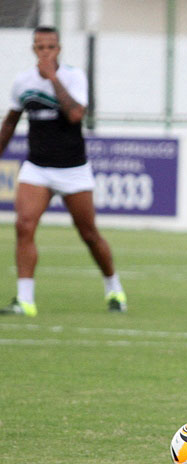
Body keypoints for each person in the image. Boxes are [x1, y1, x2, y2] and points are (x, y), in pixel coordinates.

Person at [0, 26, 126, 317]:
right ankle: (25, 300)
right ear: (34, 49)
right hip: (37, 168)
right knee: (24, 226)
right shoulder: (23, 82)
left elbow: (74, 114)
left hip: (73, 169)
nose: (45, 52)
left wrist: (53, 78)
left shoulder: (73, 77)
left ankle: (114, 288)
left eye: (51, 47)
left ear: (59, 49)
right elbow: (10, 123)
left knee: (89, 234)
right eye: (40, 47)